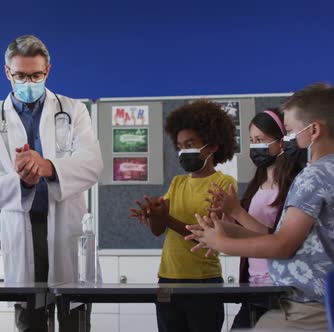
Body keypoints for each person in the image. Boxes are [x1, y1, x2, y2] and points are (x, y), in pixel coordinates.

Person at [0, 35, 103, 331]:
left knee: (75, 321)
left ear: (48, 71)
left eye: (36, 75)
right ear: (7, 72)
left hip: (68, 230)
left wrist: (48, 167)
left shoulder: (73, 111)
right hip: (23, 232)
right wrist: (23, 182)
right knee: (30, 323)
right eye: (20, 75)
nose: (28, 82)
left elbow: (92, 165)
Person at [188, 83, 334, 331]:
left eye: (289, 131)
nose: (288, 140)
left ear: (314, 130)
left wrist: (221, 243)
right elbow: (296, 238)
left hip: (308, 308)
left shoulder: (314, 176)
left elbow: (284, 244)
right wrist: (228, 230)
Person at [130, 100, 238, 332]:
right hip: (167, 279)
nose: (184, 151)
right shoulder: (177, 183)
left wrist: (166, 218)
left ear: (212, 146)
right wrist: (152, 214)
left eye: (191, 144)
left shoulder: (223, 183)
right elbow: (158, 230)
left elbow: (206, 235)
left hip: (203, 281)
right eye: (180, 146)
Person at [205, 108, 306, 329]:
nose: (255, 146)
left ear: (281, 142)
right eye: (251, 140)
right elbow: (246, 232)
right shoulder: (256, 185)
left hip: (279, 289)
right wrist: (220, 227)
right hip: (253, 285)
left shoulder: (295, 186)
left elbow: (279, 239)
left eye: (261, 139)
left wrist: (238, 212)